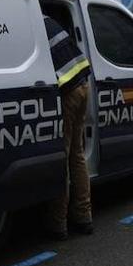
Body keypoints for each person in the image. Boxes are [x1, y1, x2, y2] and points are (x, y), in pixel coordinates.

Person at [44, 14, 94, 241]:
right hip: (83, 83)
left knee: (62, 157)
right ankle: (84, 217)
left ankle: (58, 223)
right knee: (77, 155)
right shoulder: (47, 19)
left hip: (68, 90)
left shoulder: (31, 22)